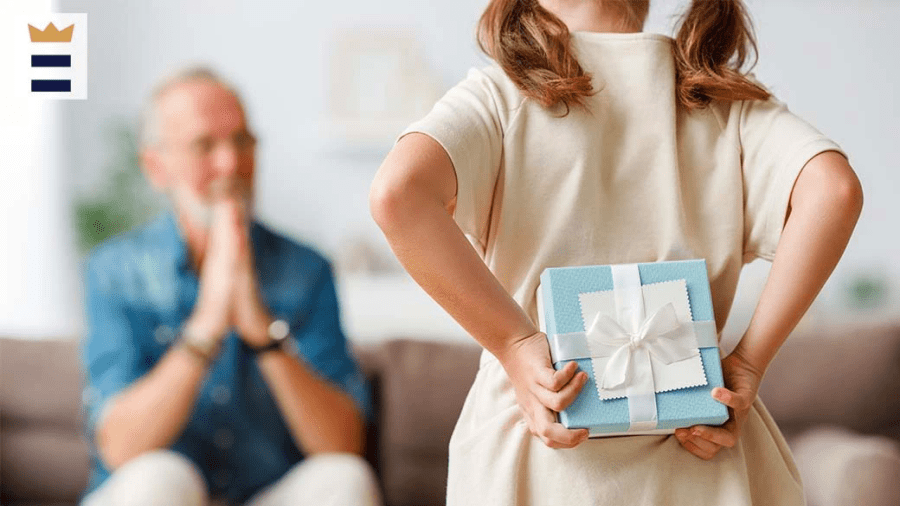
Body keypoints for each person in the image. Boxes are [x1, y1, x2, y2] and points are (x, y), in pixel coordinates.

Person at [369, 0, 863, 504]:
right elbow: (835, 192)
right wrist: (750, 362)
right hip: (701, 452)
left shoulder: (500, 97)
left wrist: (516, 346)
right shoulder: (722, 102)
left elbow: (397, 195)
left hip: (542, 448)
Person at [79, 67, 382, 506]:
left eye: (242, 141)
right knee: (160, 478)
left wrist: (258, 325)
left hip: (267, 493)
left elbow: (342, 443)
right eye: (204, 145)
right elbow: (121, 447)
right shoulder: (112, 271)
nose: (230, 163)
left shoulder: (308, 269)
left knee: (345, 479)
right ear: (155, 166)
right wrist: (207, 321)